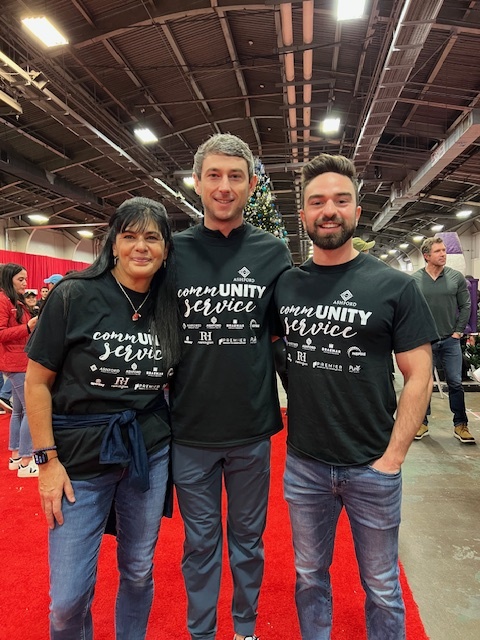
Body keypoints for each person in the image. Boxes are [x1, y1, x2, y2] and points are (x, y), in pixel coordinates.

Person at [274, 153, 438, 640]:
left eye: (341, 200)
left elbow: (419, 375)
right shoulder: (286, 285)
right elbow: (259, 349)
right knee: (309, 576)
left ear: (357, 211)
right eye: (317, 201)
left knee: (382, 585)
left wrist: (393, 458)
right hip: (305, 465)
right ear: (303, 214)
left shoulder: (394, 286)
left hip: (372, 465)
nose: (329, 210)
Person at [24, 197, 181, 639]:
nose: (140, 246)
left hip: (147, 453)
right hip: (77, 458)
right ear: (113, 243)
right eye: (129, 236)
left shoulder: (171, 305)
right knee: (67, 601)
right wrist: (46, 462)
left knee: (138, 570)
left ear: (166, 249)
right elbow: (36, 383)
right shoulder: (74, 294)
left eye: (152, 237)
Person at [170, 133, 292, 640]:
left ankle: (245, 628)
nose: (224, 186)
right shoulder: (173, 251)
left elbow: (286, 334)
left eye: (235, 176)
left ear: (251, 185)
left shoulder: (273, 252)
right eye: (214, 175)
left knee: (248, 540)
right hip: (189, 429)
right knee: (199, 544)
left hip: (251, 428)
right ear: (196, 183)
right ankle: (202, 632)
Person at [411, 237, 475, 443]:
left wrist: (458, 332)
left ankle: (461, 425)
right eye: (438, 251)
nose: (443, 254)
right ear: (426, 256)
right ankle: (422, 423)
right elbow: (408, 309)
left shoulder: (455, 277)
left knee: (455, 383)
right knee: (423, 384)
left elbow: (466, 305)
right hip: (424, 342)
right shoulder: (415, 280)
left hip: (450, 340)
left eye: (444, 250)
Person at [0, 263, 38, 475]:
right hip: (16, 363)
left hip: (20, 361)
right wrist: (27, 327)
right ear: (9, 279)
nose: (25, 283)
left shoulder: (15, 301)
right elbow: (1, 333)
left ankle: (16, 457)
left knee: (19, 411)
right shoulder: (3, 300)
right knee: (31, 410)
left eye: (25, 279)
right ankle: (26, 460)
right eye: (20, 279)